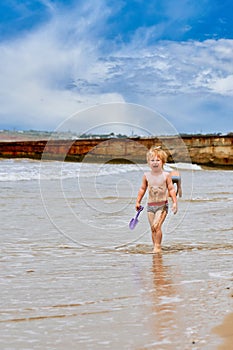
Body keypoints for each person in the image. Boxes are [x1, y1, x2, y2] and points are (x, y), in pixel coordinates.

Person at [135, 146, 178, 253]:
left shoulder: (166, 175)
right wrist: (138, 201)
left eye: (157, 160)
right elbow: (142, 189)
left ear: (163, 162)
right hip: (150, 206)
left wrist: (174, 202)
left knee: (156, 225)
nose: (155, 162)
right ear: (148, 162)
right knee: (153, 228)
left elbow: (171, 189)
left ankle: (158, 247)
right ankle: (155, 245)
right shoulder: (146, 176)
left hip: (162, 205)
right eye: (152, 160)